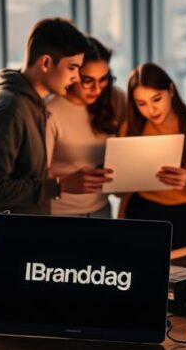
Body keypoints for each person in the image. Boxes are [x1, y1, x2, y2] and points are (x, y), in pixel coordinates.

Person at [0, 18, 107, 261]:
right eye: (72, 68)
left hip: (15, 248)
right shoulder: (10, 109)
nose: (77, 78)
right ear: (46, 62)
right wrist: (59, 186)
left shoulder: (31, 104)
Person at [120, 63, 186, 249]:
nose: (151, 110)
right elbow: (119, 192)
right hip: (140, 211)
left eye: (156, 99)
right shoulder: (131, 127)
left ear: (171, 90)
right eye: (141, 103)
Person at [45, 37, 126, 218]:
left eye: (104, 79)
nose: (97, 89)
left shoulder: (116, 99)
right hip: (60, 214)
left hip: (102, 210)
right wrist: (65, 182)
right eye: (88, 80)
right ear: (72, 76)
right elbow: (36, 179)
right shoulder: (51, 111)